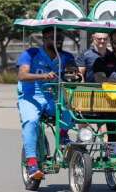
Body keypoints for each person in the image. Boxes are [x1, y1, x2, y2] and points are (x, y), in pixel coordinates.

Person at [16, 27, 75, 179]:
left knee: (72, 111)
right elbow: (22, 75)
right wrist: (42, 77)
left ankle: (63, 136)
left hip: (53, 96)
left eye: (60, 39)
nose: (58, 42)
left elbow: (74, 73)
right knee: (31, 121)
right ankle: (32, 164)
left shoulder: (66, 56)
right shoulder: (31, 53)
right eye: (53, 39)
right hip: (31, 95)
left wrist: (73, 74)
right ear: (44, 39)